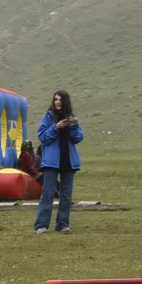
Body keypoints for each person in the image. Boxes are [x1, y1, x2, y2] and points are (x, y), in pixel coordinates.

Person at [34, 90, 83, 233]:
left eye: (60, 100)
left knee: (66, 195)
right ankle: (41, 225)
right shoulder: (48, 116)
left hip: (68, 161)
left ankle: (63, 225)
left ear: (66, 102)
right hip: (51, 161)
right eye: (55, 99)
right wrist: (55, 127)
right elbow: (42, 137)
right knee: (48, 193)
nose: (57, 102)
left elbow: (78, 138)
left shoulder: (72, 117)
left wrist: (74, 126)